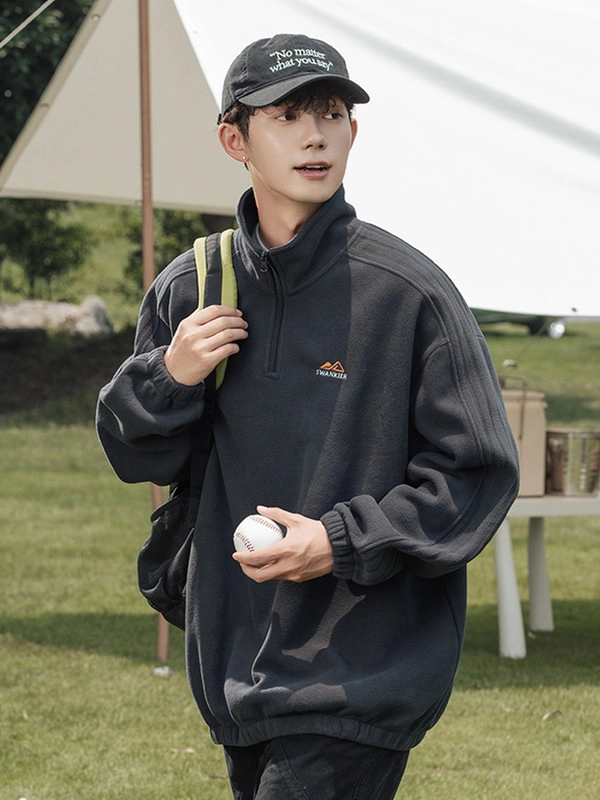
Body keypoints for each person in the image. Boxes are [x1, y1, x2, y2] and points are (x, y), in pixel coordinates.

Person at [97, 33, 519, 799]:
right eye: (287, 116)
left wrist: (339, 541)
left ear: (354, 131)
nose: (315, 136)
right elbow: (139, 459)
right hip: (235, 667)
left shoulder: (410, 293)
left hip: (358, 673)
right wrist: (168, 377)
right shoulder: (191, 289)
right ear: (235, 140)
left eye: (329, 114)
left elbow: (476, 475)